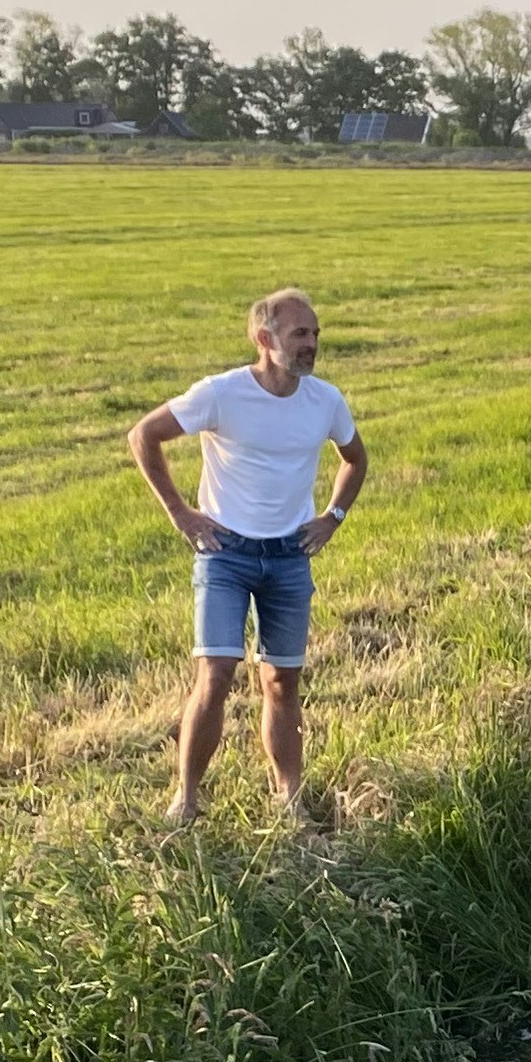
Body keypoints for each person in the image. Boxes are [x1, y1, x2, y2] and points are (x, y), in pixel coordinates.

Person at [128, 287, 369, 823]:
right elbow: (144, 435)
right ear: (264, 338)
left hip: (289, 557)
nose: (312, 344)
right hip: (226, 554)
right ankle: (186, 802)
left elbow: (355, 458)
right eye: (299, 333)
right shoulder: (222, 394)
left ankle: (289, 802)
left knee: (282, 682)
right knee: (215, 675)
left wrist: (332, 517)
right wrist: (180, 513)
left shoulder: (326, 401)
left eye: (315, 333)